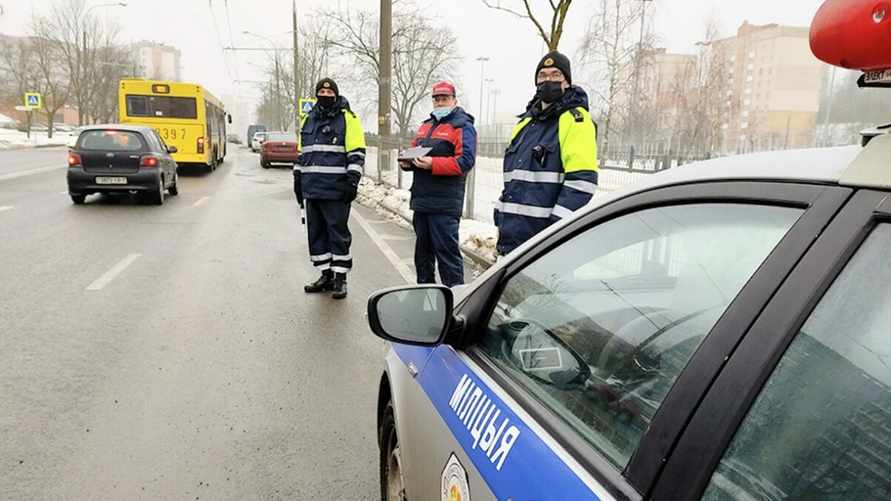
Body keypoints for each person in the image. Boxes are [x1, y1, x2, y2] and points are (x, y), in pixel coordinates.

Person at [494, 51, 599, 256]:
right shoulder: (525, 123)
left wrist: (553, 234)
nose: (547, 80)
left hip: (544, 247)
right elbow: (514, 179)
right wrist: (500, 211)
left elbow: (582, 183)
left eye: (555, 74)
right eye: (542, 75)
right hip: (512, 241)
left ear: (567, 82)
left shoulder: (576, 120)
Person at [399, 81, 477, 287]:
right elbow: (415, 151)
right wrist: (407, 162)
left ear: (454, 100)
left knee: (447, 256)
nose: (440, 102)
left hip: (445, 204)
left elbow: (466, 161)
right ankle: (425, 296)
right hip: (422, 201)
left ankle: (456, 301)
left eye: (445, 98)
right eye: (437, 99)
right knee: (422, 255)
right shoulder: (426, 126)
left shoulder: (463, 126)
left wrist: (433, 164)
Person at [294, 78, 366, 299]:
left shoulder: (348, 118)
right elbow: (302, 153)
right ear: (316, 94)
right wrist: (297, 177)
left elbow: (356, 153)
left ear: (335, 93)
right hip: (312, 189)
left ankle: (340, 279)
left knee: (337, 234)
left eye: (329, 90)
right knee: (316, 235)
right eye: (321, 90)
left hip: (336, 190)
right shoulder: (308, 119)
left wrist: (352, 180)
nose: (325, 93)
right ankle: (325, 275)